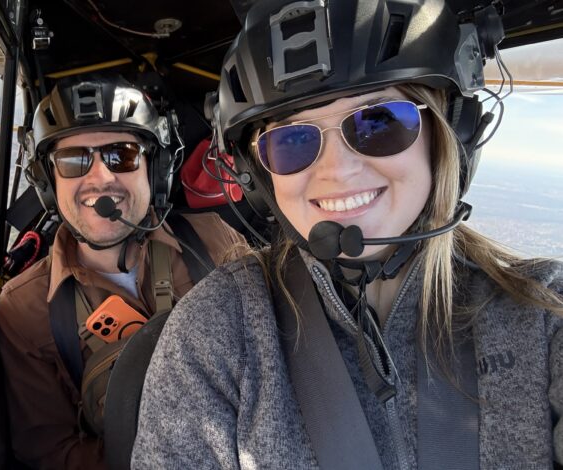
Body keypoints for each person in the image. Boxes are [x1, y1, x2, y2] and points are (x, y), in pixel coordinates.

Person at [132, 1, 563, 469]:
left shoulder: (543, 312)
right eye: (293, 139)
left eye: (377, 121)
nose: (337, 171)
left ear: (450, 132)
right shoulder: (214, 335)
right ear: (258, 179)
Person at [0, 73, 246, 469]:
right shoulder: (25, 308)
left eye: (122, 155)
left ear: (155, 168)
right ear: (47, 182)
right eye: (74, 160)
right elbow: (51, 452)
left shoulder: (215, 242)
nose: (101, 178)